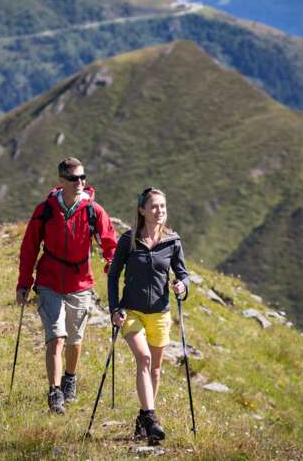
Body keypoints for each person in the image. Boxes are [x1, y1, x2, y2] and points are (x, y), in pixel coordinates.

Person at [17, 157, 118, 414]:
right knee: (56, 337)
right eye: (74, 178)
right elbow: (29, 248)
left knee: (75, 340)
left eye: (83, 177)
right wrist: (24, 283)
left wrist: (111, 263)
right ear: (61, 182)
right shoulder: (46, 210)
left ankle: (70, 377)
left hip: (80, 283)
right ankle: (55, 392)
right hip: (49, 281)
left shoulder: (94, 211)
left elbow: (109, 243)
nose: (80, 182)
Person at [107, 187, 189, 442]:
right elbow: (113, 276)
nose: (159, 211)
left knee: (155, 370)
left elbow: (183, 273)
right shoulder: (128, 240)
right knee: (143, 359)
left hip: (160, 314)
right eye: (154, 206)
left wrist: (182, 286)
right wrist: (114, 308)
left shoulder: (172, 241)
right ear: (142, 210)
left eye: (162, 206)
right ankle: (152, 417)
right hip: (131, 311)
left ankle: (144, 418)